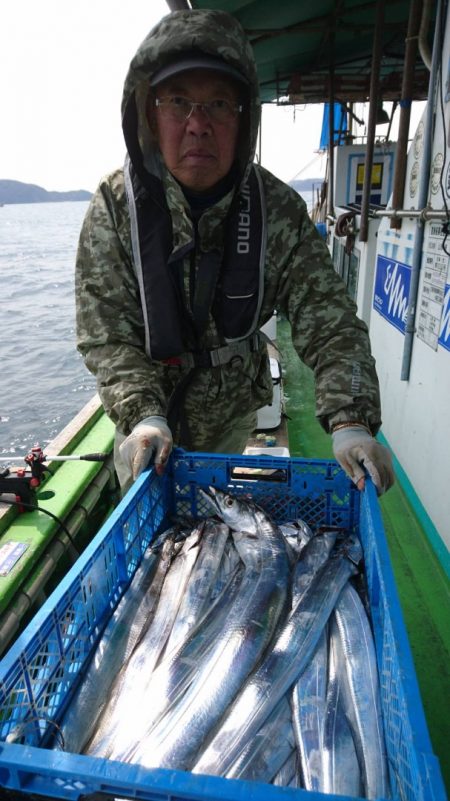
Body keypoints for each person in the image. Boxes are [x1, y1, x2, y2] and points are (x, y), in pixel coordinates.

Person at [75, 8, 394, 496]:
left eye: (220, 104)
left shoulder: (279, 210)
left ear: (244, 119)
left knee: (216, 511)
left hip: (230, 418)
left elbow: (330, 322)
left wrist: (350, 420)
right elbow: (105, 335)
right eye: (178, 101)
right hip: (145, 424)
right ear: (148, 111)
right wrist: (144, 415)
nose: (198, 123)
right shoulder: (115, 207)